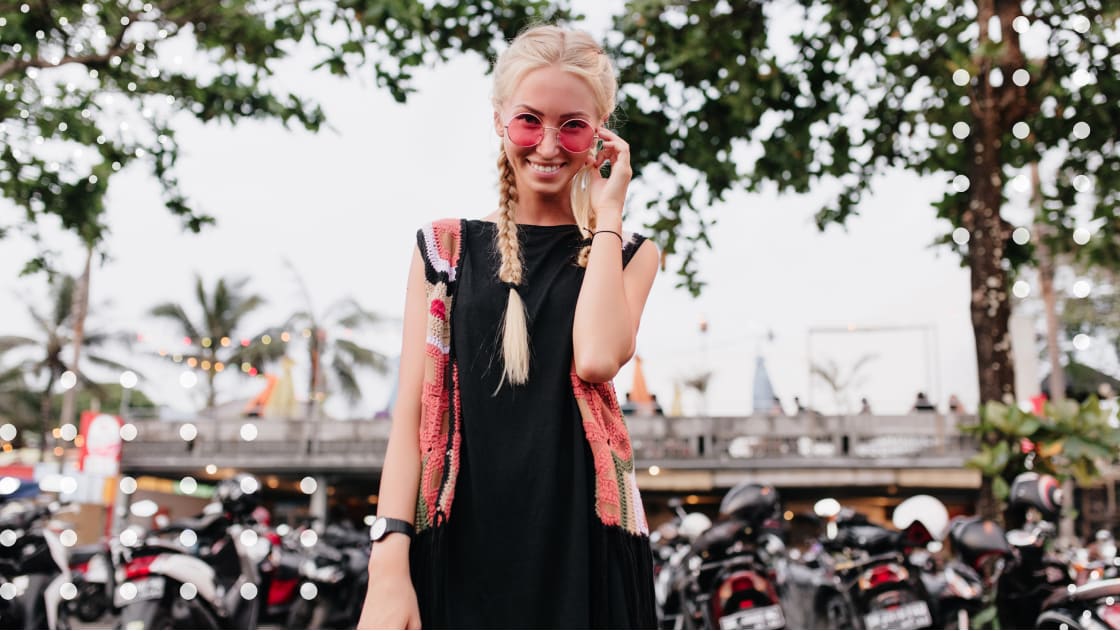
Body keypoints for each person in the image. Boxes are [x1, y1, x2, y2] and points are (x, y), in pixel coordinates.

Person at [357, 25, 660, 629]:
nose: (548, 144)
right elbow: (412, 415)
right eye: (529, 121)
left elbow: (598, 357)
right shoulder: (444, 250)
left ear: (600, 133)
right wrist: (388, 562)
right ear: (498, 120)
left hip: (587, 547)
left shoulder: (627, 252)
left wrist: (608, 212)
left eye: (572, 125)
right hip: (455, 540)